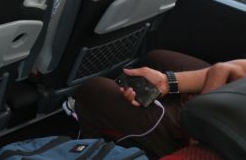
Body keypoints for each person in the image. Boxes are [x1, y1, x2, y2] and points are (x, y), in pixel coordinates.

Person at [75, 49, 246, 157]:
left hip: (220, 133)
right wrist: (168, 82)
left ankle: (85, 146)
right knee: (155, 58)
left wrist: (218, 74)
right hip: (232, 90)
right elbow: (234, 69)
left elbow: (223, 70)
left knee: (93, 89)